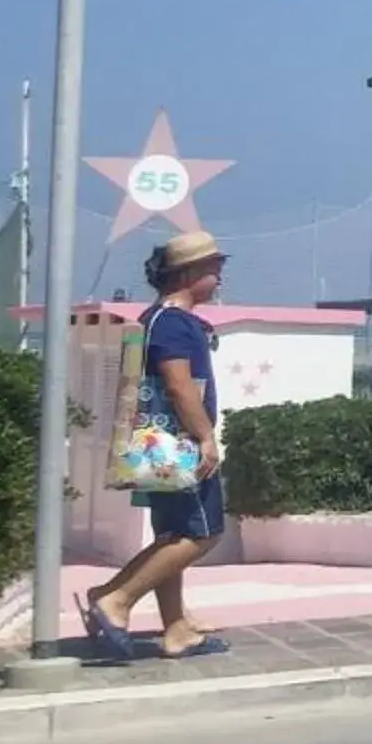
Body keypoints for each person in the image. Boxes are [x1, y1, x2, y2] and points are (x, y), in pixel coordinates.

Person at [80, 231, 232, 664]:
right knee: (202, 533)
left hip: (157, 444)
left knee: (173, 534)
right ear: (186, 274)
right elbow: (179, 385)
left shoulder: (159, 319)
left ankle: (176, 629)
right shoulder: (174, 323)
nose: (220, 277)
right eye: (213, 268)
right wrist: (205, 438)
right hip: (179, 445)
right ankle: (116, 598)